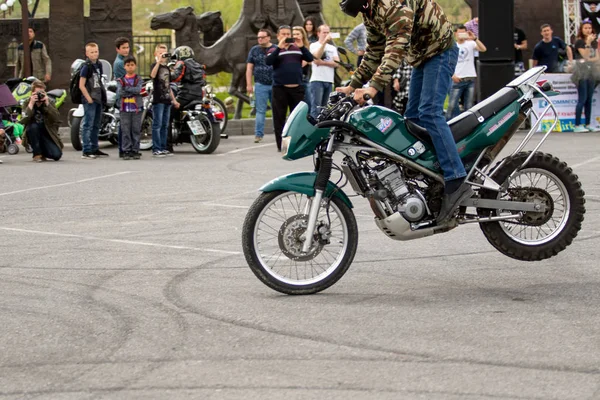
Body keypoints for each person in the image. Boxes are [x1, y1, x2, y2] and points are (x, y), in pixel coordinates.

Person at [337, 0, 473, 223]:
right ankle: (431, 174)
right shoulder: (370, 12)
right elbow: (374, 52)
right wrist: (353, 85)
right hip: (421, 56)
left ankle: (456, 179)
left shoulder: (392, 4)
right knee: (412, 120)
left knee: (430, 112)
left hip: (440, 49)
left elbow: (396, 47)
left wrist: (373, 86)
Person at [265, 25, 314, 152]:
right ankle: (281, 145)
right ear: (278, 36)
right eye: (283, 34)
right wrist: (279, 48)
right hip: (280, 88)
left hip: (296, 88)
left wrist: (302, 46)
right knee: (279, 118)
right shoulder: (273, 49)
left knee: (297, 118)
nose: (286, 36)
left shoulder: (297, 49)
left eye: (288, 34)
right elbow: (269, 61)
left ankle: (296, 143)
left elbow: (310, 58)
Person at [446, 26, 486, 120]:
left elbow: (483, 49)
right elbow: (446, 62)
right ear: (455, 33)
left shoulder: (470, 43)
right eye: (460, 33)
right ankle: (448, 125)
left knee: (469, 106)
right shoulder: (452, 46)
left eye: (464, 33)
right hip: (457, 79)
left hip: (470, 78)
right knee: (452, 106)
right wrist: (452, 75)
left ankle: (467, 126)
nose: (462, 35)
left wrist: (475, 38)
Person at [79, 42, 109, 159]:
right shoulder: (86, 66)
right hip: (90, 99)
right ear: (87, 53)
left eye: (96, 51)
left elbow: (99, 81)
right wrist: (88, 98)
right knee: (88, 124)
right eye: (92, 52)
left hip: (98, 97)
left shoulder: (99, 64)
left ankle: (95, 148)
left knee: (96, 124)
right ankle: (86, 149)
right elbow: (81, 85)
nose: (94, 54)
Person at [20, 80, 63, 162]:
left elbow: (56, 118)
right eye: (37, 93)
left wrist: (47, 104)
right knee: (33, 127)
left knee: (57, 155)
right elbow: (23, 120)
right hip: (33, 132)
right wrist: (31, 104)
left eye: (42, 92)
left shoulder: (49, 102)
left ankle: (43, 151)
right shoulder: (27, 102)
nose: (39, 95)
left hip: (47, 133)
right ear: (32, 93)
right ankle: (37, 154)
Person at [246, 29, 277, 143]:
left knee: (277, 110)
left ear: (269, 37)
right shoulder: (254, 50)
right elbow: (249, 67)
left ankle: (279, 131)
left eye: (262, 37)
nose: (260, 39)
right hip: (260, 84)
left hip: (275, 83)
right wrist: (249, 84)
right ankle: (258, 134)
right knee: (260, 110)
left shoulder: (275, 48)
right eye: (258, 37)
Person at [150, 44, 179, 158]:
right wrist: (158, 62)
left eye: (164, 53)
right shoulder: (155, 66)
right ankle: (156, 148)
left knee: (165, 124)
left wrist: (174, 100)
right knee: (157, 124)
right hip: (158, 99)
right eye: (160, 53)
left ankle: (163, 147)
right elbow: (152, 75)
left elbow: (168, 86)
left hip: (167, 99)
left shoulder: (167, 68)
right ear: (156, 54)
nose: (163, 55)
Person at [571, 21, 600, 133]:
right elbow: (585, 55)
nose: (588, 30)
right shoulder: (579, 42)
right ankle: (577, 124)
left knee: (589, 99)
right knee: (582, 99)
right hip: (581, 72)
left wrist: (589, 58)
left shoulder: (593, 42)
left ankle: (588, 123)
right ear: (581, 30)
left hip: (591, 71)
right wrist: (587, 43)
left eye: (589, 28)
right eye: (585, 28)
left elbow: (597, 58)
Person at [309, 25, 340, 118]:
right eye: (324, 32)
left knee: (326, 108)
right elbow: (316, 59)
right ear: (318, 33)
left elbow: (337, 63)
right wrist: (324, 43)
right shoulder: (314, 45)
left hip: (329, 80)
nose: (326, 35)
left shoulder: (332, 48)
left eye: (327, 32)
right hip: (317, 79)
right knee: (316, 107)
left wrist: (323, 62)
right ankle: (313, 128)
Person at [117, 55, 144, 159]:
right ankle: (126, 150)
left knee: (136, 129)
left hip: (136, 108)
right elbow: (120, 92)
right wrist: (131, 90)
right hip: (124, 108)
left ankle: (135, 149)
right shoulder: (121, 80)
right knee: (125, 130)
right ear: (124, 67)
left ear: (135, 66)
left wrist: (127, 89)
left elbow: (138, 90)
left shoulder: (138, 79)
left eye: (132, 65)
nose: (130, 67)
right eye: (128, 65)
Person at [113, 37, 131, 158]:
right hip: (124, 96)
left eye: (127, 47)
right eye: (123, 48)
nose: (126, 50)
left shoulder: (125, 60)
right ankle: (123, 150)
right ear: (117, 49)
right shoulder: (120, 63)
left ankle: (126, 149)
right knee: (124, 125)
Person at [293, 26, 313, 115]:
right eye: (293, 34)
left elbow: (305, 62)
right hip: (293, 79)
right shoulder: (290, 47)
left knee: (308, 104)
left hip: (304, 78)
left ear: (302, 36)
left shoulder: (306, 48)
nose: (296, 36)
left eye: (298, 34)